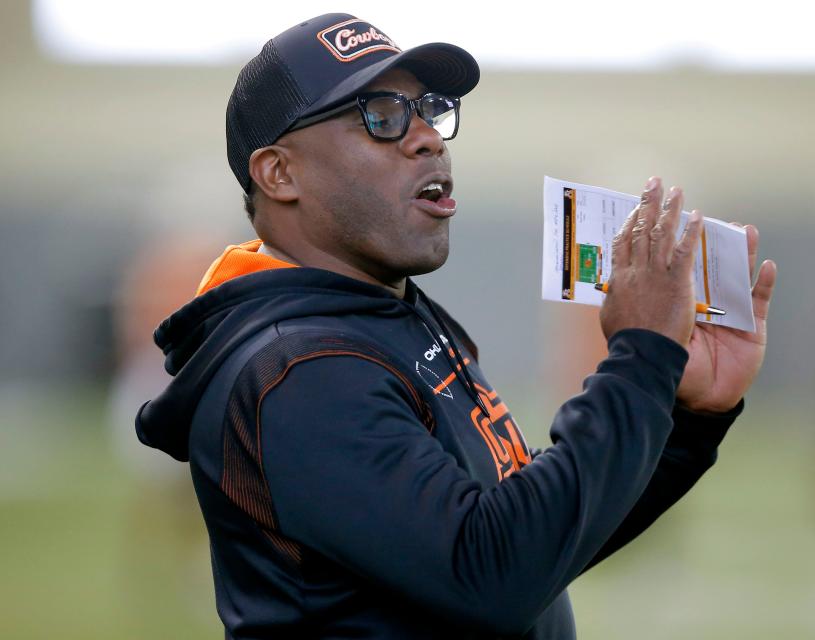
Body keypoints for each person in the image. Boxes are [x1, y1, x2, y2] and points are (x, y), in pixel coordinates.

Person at [136, 12, 777, 639]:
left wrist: (687, 415)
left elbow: (536, 539)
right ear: (280, 173)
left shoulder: (386, 316)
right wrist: (639, 361)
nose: (427, 137)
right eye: (381, 116)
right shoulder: (301, 371)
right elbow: (492, 576)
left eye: (428, 110)